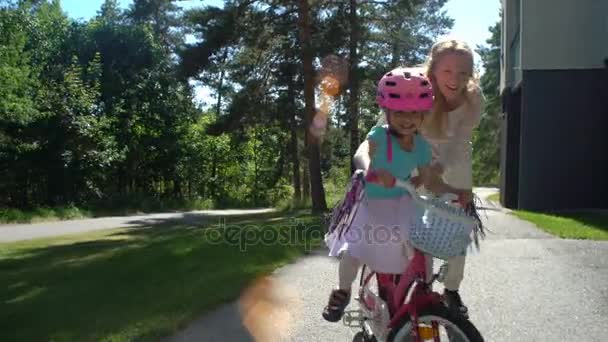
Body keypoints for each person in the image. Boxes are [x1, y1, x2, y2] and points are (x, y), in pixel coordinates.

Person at [322, 67, 471, 322]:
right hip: (372, 203)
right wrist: (371, 170)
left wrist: (454, 191)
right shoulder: (380, 135)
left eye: (414, 112)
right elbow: (362, 154)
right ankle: (342, 290)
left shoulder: (421, 146)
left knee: (418, 250)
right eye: (399, 111)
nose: (407, 118)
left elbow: (431, 180)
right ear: (387, 111)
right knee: (356, 249)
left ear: (423, 114)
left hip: (402, 203)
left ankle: (415, 296)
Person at [416, 38, 485, 318]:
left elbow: (460, 141)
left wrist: (440, 171)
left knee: (456, 230)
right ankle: (420, 285)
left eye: (463, 73)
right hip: (418, 160)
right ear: (432, 70)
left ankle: (451, 289)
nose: (455, 79)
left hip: (454, 165)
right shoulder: (416, 89)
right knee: (417, 228)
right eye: (447, 71)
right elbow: (390, 126)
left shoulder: (474, 98)